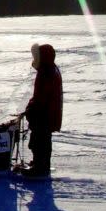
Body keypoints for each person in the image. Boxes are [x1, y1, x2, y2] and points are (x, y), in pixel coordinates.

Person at [22, 43, 63, 177]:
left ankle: (40, 167)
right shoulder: (51, 69)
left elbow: (41, 97)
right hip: (49, 113)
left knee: (39, 140)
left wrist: (31, 109)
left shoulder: (46, 72)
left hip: (44, 114)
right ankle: (40, 164)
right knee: (42, 140)